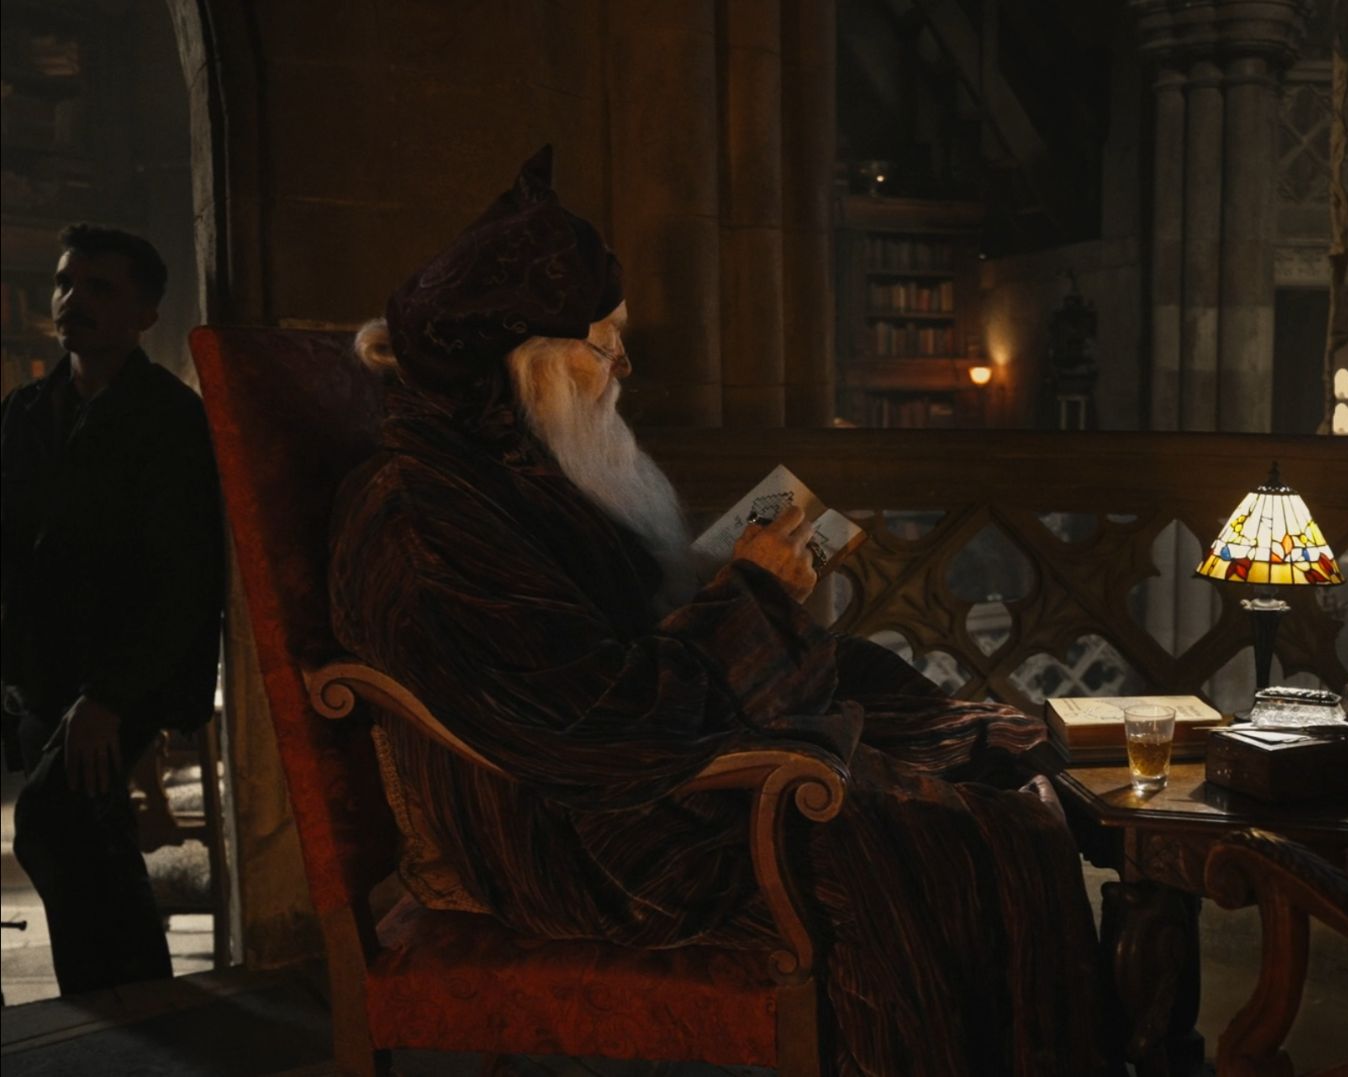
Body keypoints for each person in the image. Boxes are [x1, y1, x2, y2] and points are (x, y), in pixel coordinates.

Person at [328, 147, 1116, 1076]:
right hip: (576, 835)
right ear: (523, 362)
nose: (624, 362)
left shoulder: (506, 460)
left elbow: (600, 645)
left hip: (626, 767)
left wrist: (722, 583)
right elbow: (592, 724)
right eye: (602, 342)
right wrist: (751, 595)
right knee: (949, 840)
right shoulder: (424, 516)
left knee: (987, 748)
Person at [0, 224, 226, 995]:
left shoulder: (168, 417)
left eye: (99, 288)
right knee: (91, 849)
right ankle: (119, 1010)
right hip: (41, 671)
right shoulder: (25, 411)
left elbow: (184, 575)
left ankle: (134, 1005)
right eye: (66, 283)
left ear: (144, 315)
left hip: (123, 677)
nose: (72, 300)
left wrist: (111, 696)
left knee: (49, 825)